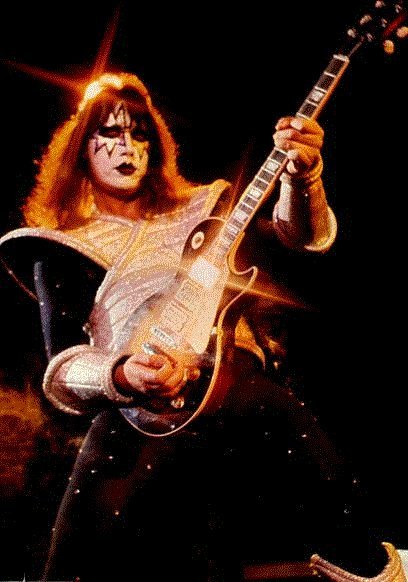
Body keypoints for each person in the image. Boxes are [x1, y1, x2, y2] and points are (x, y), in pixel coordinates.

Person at [0, 71, 404, 581]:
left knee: (346, 529)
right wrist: (123, 374)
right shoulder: (58, 246)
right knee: (74, 564)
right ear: (82, 147)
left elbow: (300, 237)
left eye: (140, 134)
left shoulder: (205, 207)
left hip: (231, 386)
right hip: (135, 414)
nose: (127, 147)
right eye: (111, 132)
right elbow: (61, 371)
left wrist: (303, 178)